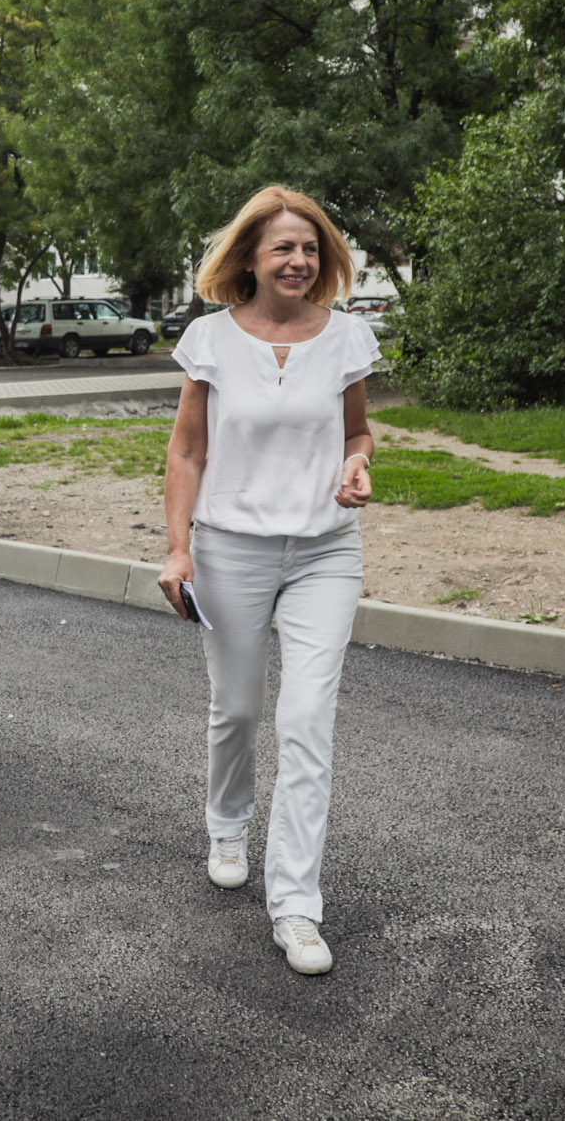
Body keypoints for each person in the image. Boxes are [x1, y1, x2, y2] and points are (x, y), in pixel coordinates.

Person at [157, 185, 380, 977]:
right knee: (239, 708)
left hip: (326, 552)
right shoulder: (210, 339)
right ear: (249, 257)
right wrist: (178, 549)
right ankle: (228, 824)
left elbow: (357, 431)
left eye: (311, 248)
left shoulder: (347, 336)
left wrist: (357, 464)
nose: (299, 260)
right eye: (283, 247)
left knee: (307, 721)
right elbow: (187, 451)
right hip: (230, 549)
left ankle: (296, 905)